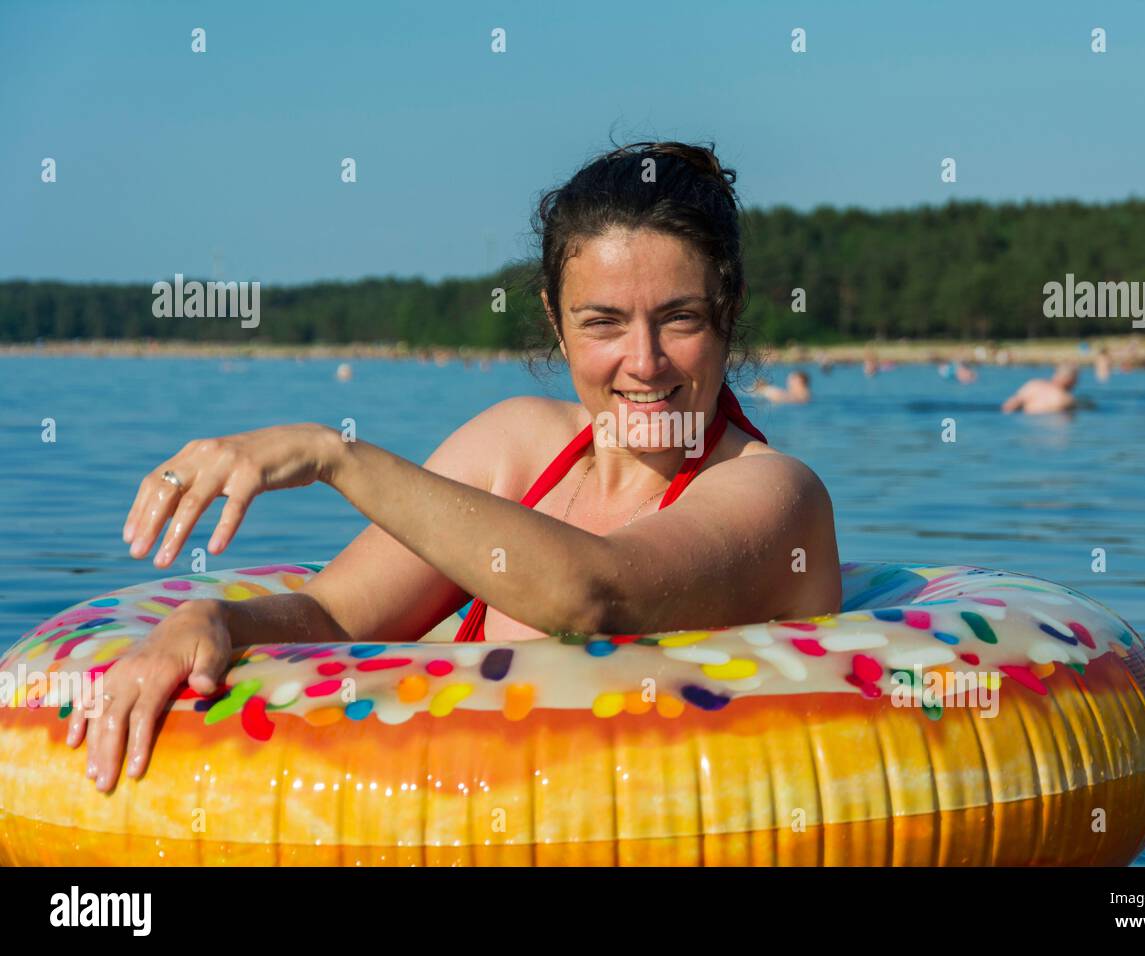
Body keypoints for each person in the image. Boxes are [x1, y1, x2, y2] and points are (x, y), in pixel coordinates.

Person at [65, 141, 842, 792]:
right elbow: (335, 619)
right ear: (555, 323)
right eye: (602, 322)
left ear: (728, 310)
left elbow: (598, 596)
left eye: (679, 318)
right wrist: (215, 622)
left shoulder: (774, 494)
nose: (642, 362)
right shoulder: (513, 448)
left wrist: (332, 454)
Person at [1001, 363, 1079, 414]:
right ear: (1071, 380)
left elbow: (1008, 406)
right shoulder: (1066, 399)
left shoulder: (1033, 384)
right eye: (1076, 379)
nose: (1076, 383)